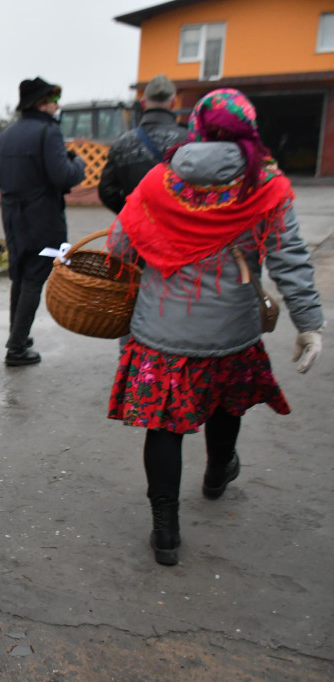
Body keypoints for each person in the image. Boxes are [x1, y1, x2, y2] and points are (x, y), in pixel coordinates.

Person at [106, 89, 324, 567]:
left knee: (164, 423)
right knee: (227, 401)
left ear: (199, 127)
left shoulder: (160, 180)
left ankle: (165, 531)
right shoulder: (264, 182)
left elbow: (120, 245)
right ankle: (217, 472)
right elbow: (289, 258)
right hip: (231, 327)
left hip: (160, 329)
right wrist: (309, 324)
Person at [0, 76, 85, 366]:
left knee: (20, 275)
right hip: (42, 218)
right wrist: (77, 162)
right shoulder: (49, 132)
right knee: (33, 278)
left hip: (13, 218)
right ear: (42, 103)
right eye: (54, 100)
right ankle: (17, 347)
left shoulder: (7, 134)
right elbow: (63, 176)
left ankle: (18, 336)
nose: (57, 105)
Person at [98, 74, 187, 214]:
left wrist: (131, 212)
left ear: (143, 103)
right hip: (179, 228)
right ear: (173, 102)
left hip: (137, 229)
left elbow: (107, 191)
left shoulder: (122, 143)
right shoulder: (189, 140)